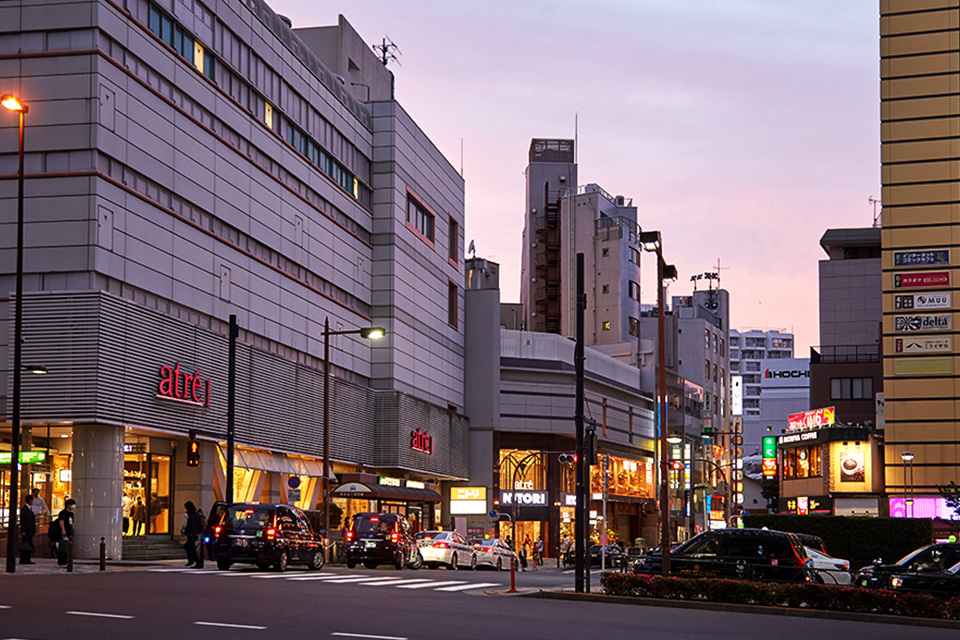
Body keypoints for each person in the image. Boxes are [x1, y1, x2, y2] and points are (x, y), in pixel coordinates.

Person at [50, 498, 76, 566]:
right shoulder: (63, 513)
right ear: (68, 505)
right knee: (62, 546)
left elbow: (71, 522)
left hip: (68, 531)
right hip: (62, 532)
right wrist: (63, 530)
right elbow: (61, 521)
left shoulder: (71, 514)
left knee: (67, 546)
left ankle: (66, 559)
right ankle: (61, 559)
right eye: (72, 505)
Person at [180, 501, 202, 567]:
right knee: (188, 546)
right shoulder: (197, 514)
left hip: (190, 533)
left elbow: (184, 524)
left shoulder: (187, 515)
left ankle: (197, 561)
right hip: (196, 533)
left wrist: (182, 530)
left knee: (191, 547)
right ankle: (192, 560)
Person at [19, 495, 36, 564]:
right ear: (30, 500)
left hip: (30, 530)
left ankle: (27, 559)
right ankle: (23, 559)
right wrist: (23, 530)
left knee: (28, 544)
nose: (32, 501)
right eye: (32, 500)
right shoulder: (24, 509)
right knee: (25, 544)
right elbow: (23, 520)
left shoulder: (29, 509)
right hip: (26, 531)